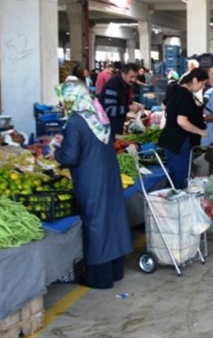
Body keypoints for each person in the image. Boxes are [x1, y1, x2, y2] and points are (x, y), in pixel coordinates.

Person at [50, 81, 131, 289]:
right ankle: (115, 272)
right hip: (109, 175)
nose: (63, 104)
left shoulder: (76, 120)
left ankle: (100, 278)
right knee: (112, 222)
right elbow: (90, 140)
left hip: (91, 178)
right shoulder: (97, 113)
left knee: (96, 224)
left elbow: (70, 157)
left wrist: (56, 152)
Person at [158, 68, 208, 189]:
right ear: (195, 80)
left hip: (169, 140)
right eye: (202, 83)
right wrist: (200, 131)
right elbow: (182, 121)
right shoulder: (185, 96)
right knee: (182, 181)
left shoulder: (176, 91)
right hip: (179, 142)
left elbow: (165, 107)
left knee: (175, 177)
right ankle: (181, 205)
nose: (202, 87)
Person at [98, 63, 142, 137]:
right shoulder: (113, 86)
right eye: (131, 77)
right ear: (123, 74)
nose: (133, 80)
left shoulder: (125, 84)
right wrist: (129, 107)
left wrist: (131, 103)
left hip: (118, 123)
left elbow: (121, 99)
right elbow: (110, 110)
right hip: (108, 127)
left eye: (135, 77)